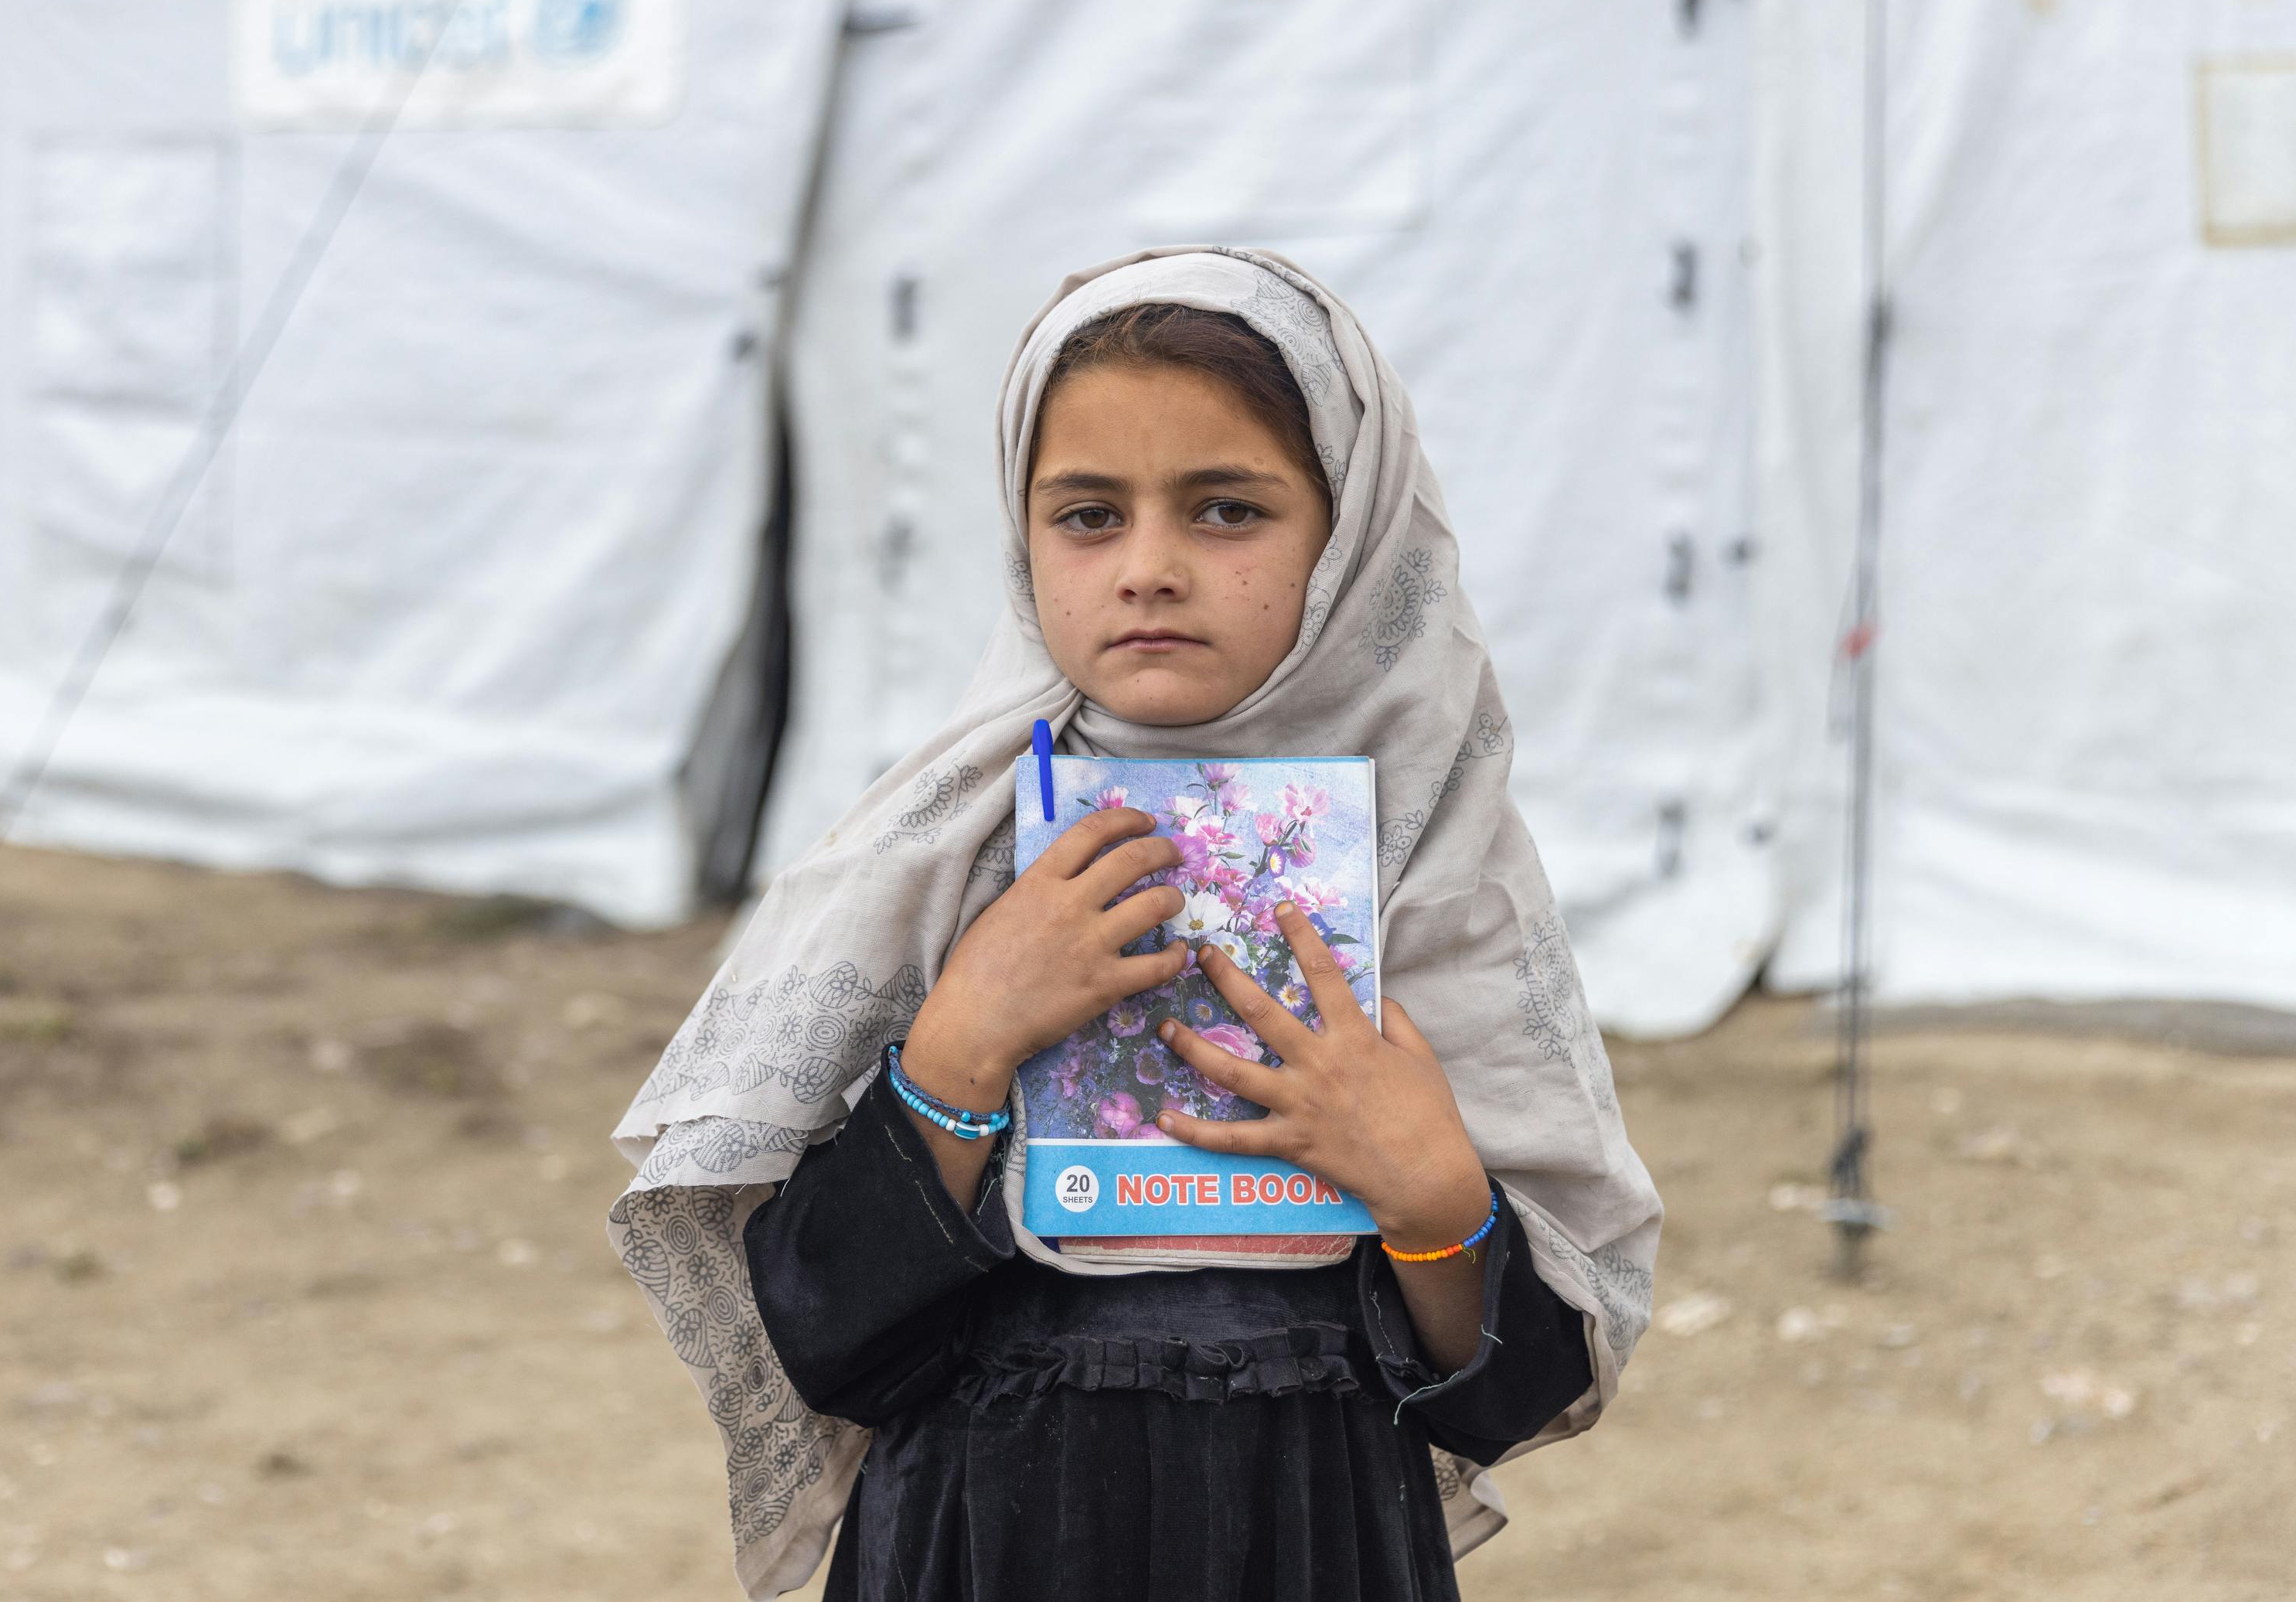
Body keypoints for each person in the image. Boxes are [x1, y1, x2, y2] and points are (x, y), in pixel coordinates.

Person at [611, 248, 1661, 1602]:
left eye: (1228, 510)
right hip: (978, 1537)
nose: (1149, 568)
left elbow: (1513, 1392)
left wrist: (1434, 1194)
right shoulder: (931, 860)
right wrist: (960, 1049)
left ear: (1347, 534)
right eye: (1090, 514)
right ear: (1022, 532)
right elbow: (824, 1332)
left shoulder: (1439, 868)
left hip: (1313, 1531)